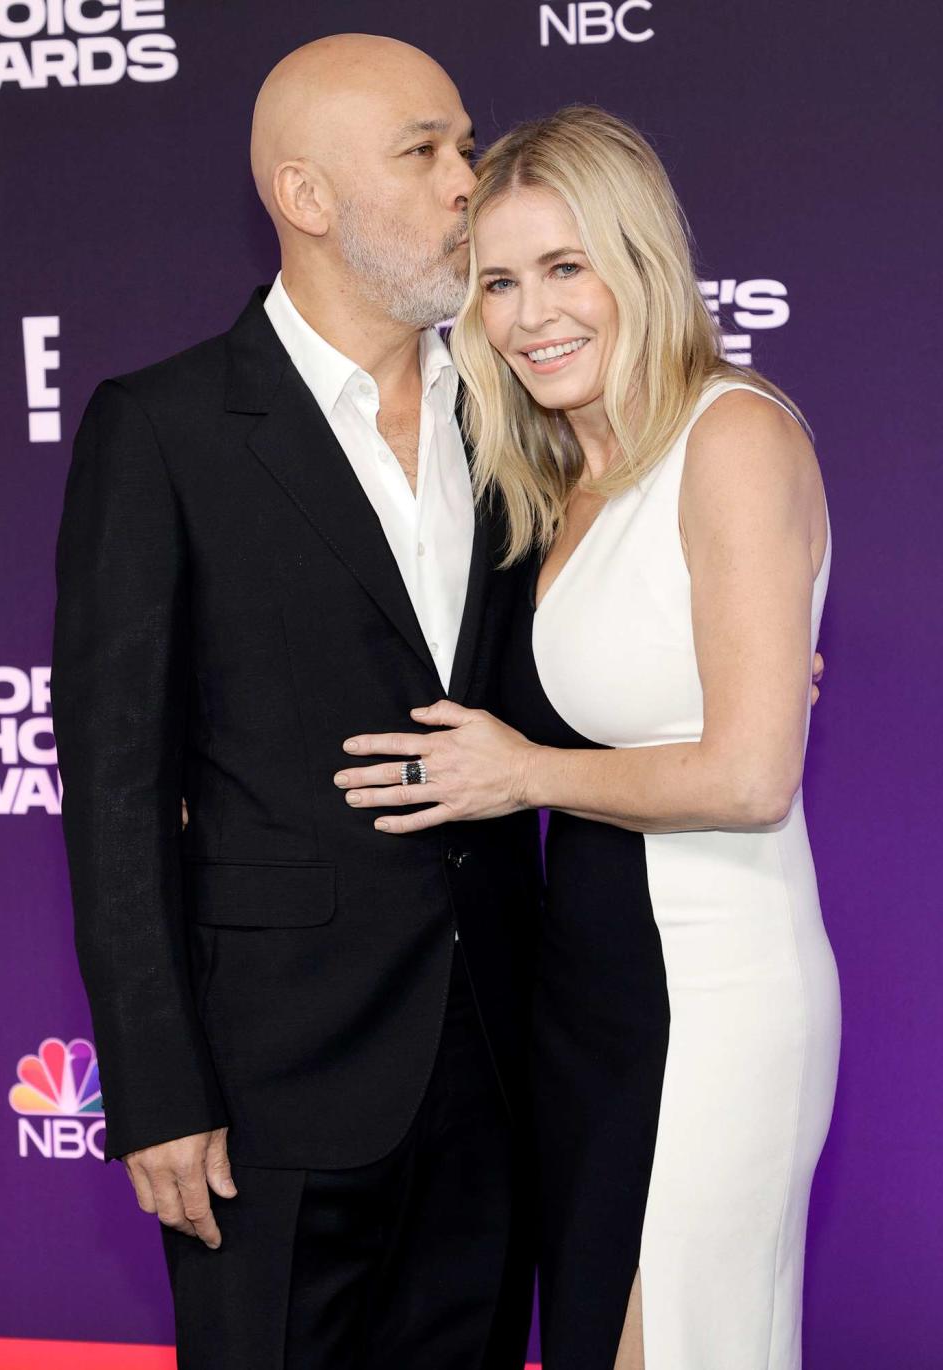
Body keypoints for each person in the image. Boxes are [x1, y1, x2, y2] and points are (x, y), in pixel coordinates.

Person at [51, 35, 543, 1370]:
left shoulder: (510, 417)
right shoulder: (163, 429)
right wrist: (156, 1093)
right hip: (269, 1086)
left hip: (495, 1059)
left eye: (466, 144)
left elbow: (551, 691)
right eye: (424, 151)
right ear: (306, 196)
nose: (468, 181)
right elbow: (111, 792)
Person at [335, 107, 841, 1369]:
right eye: (497, 280)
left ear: (642, 266)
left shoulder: (732, 434)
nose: (528, 313)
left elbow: (750, 773)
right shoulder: (559, 476)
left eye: (567, 267)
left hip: (716, 992)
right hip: (588, 995)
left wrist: (524, 775)